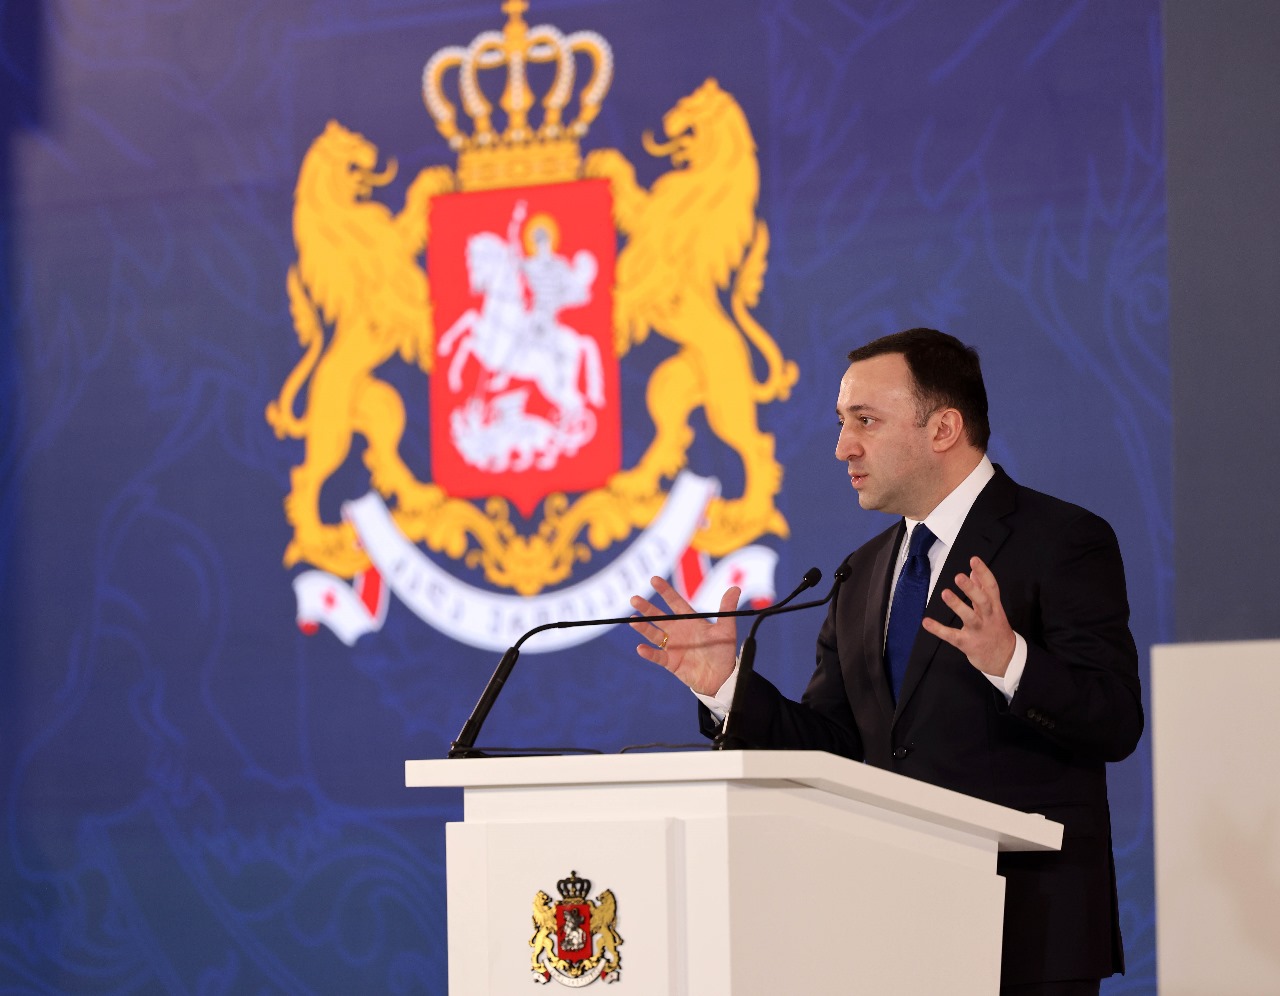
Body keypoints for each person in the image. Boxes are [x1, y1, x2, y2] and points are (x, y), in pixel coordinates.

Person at [629, 328, 1143, 995]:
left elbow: (1114, 721)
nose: (843, 446)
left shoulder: (1062, 540)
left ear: (943, 428)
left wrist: (1011, 661)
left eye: (865, 421)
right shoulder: (862, 572)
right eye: (842, 423)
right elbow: (834, 747)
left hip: (1026, 932)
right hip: (888, 925)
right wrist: (727, 687)